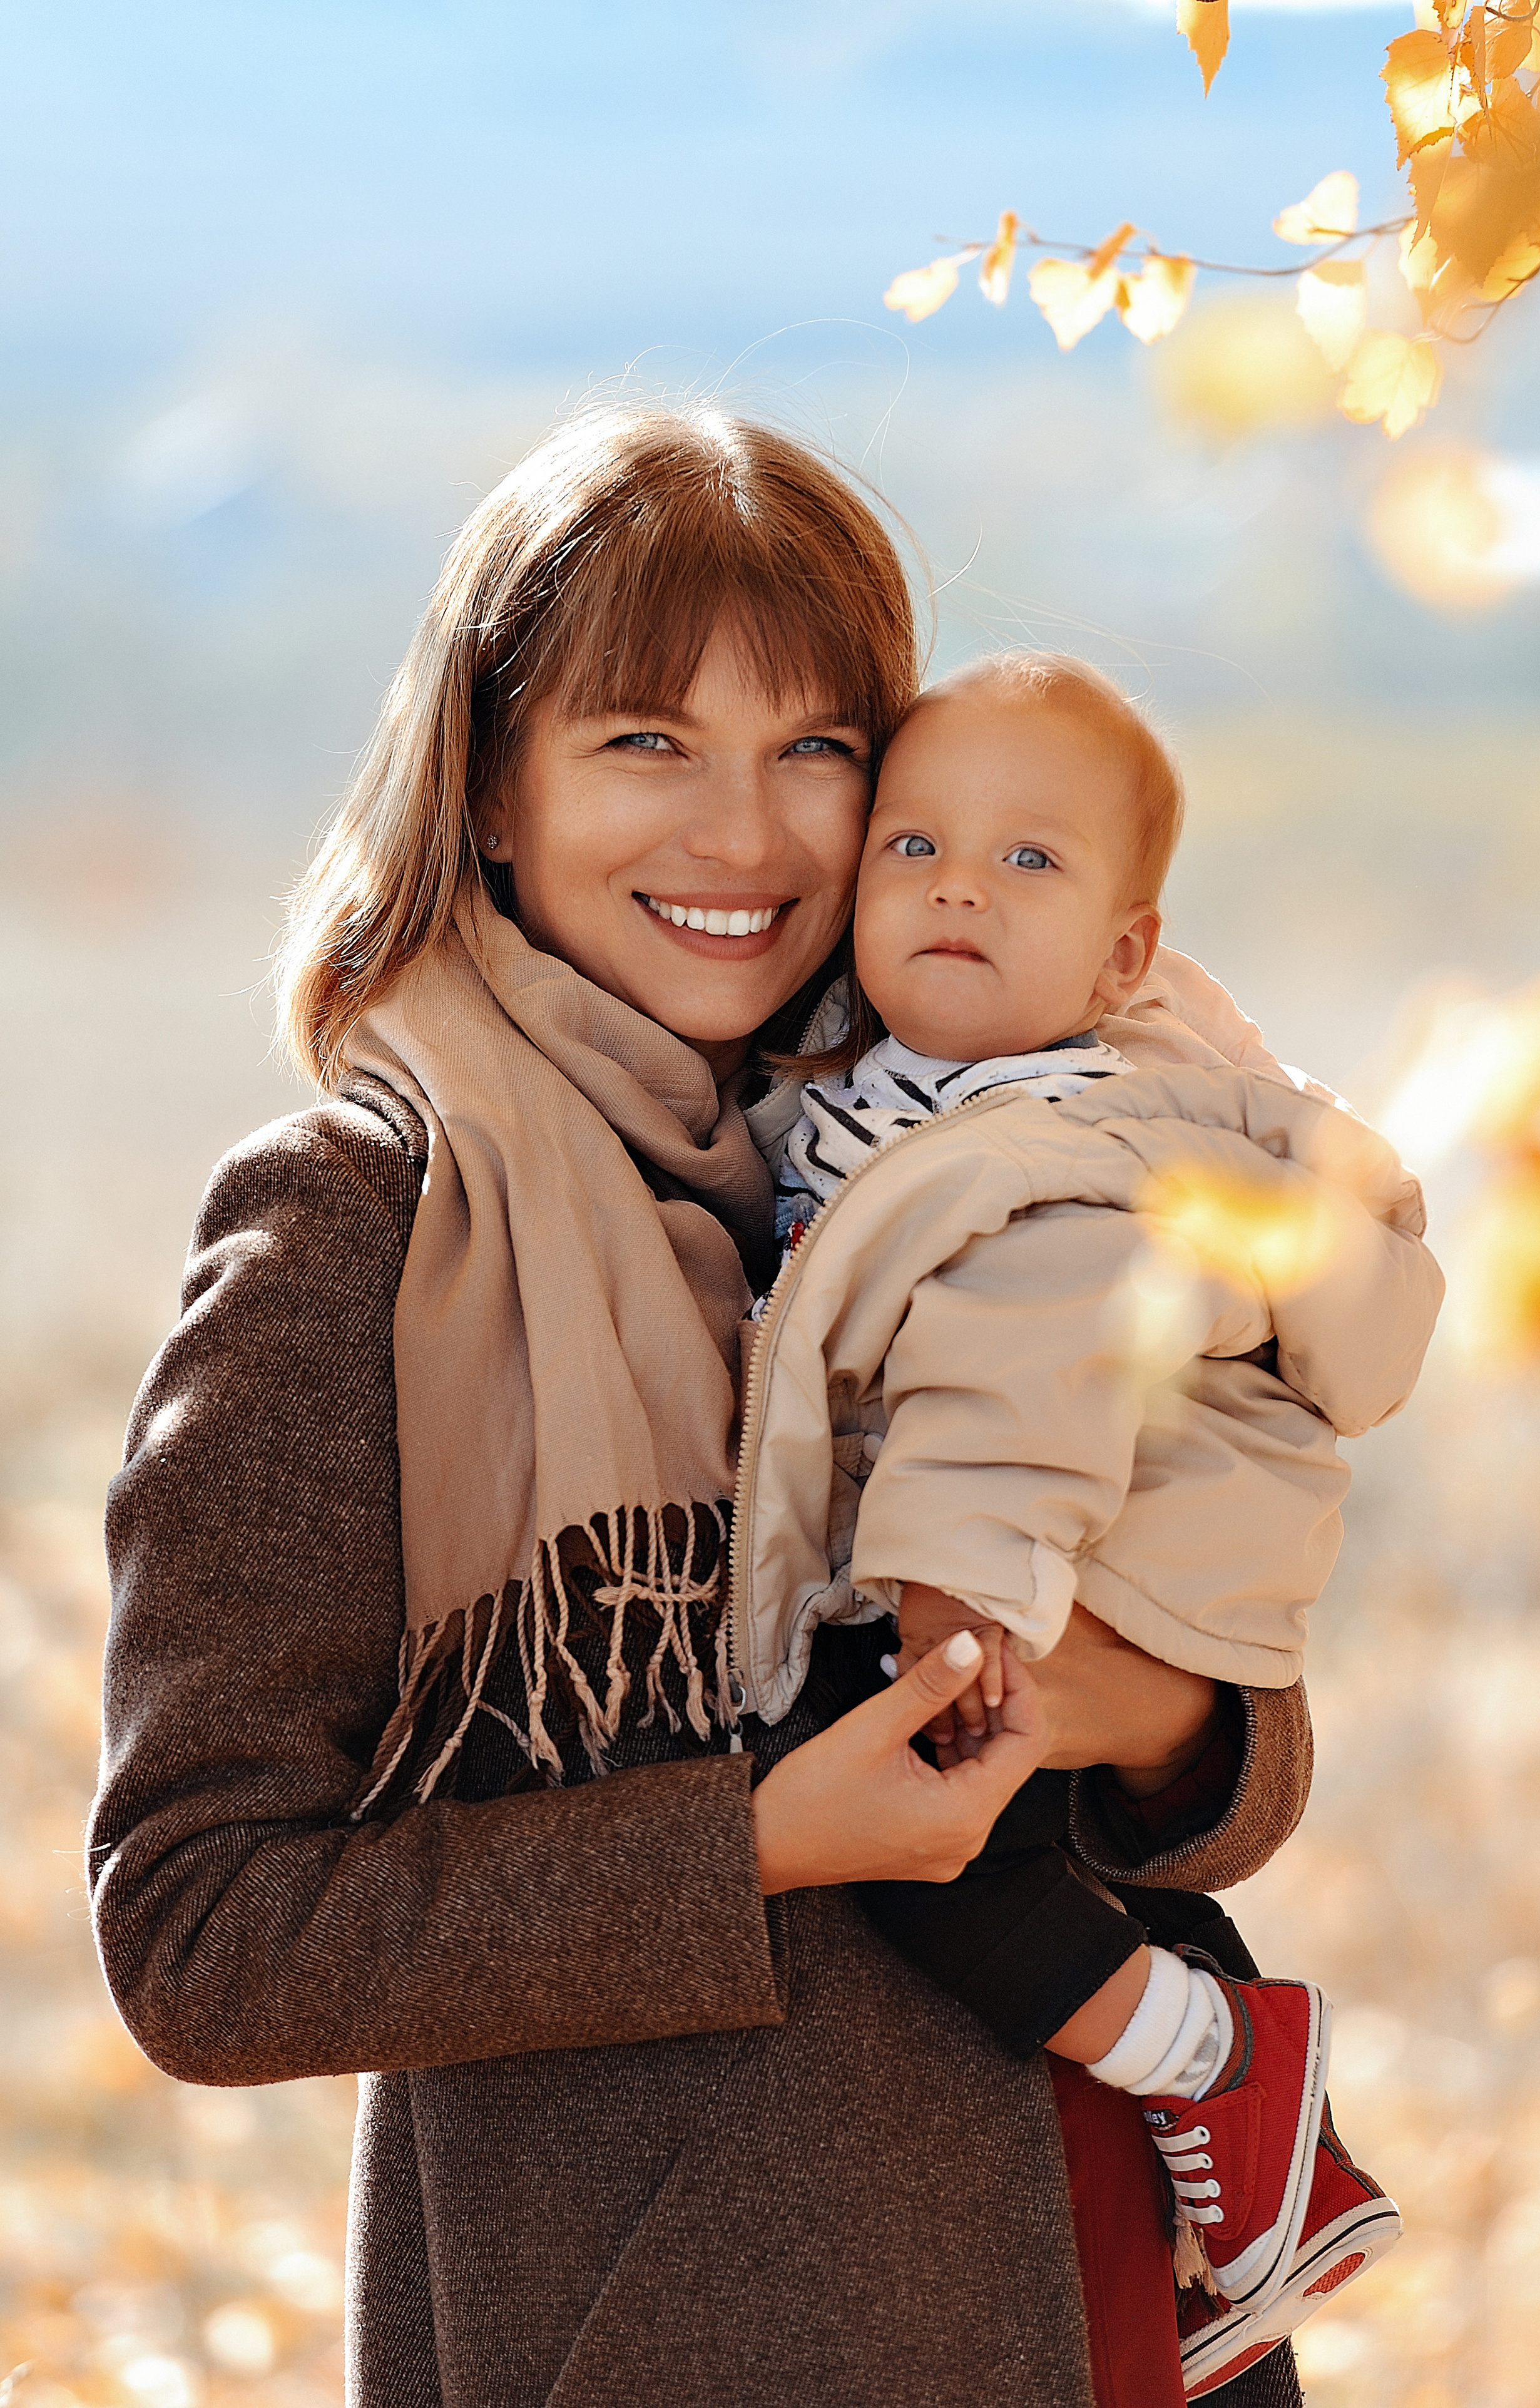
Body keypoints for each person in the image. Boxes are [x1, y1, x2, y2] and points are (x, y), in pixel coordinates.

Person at [89, 406, 1318, 2408]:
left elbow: (1239, 1765)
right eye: (644, 743)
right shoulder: (358, 1235)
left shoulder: (973, 1161)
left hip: (1116, 2286)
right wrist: (749, 1845)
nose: (740, 838)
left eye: (813, 751)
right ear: (492, 788)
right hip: (676, 2336)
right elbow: (204, 1938)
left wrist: (1157, 1718)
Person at [745, 649, 1440, 2387]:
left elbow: (1012, 1397)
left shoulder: (1058, 1155)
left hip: (1030, 1583)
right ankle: (1227, 2232)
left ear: (1125, 957)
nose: (959, 885)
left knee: (933, 1849)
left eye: (1029, 863)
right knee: (1015, 1868)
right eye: (914, 847)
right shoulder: (914, 1094)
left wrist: (945, 1618)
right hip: (1079, 1592)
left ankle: (1212, 2062)